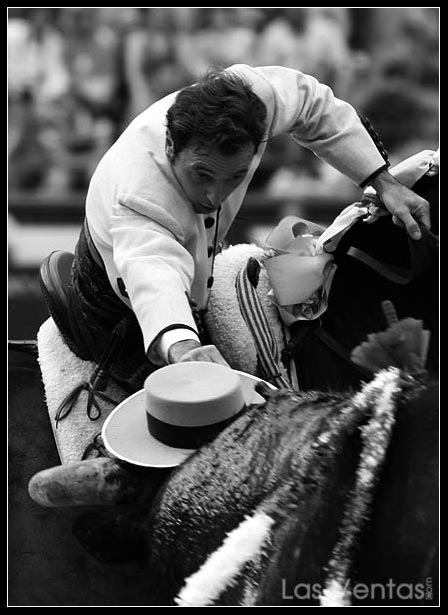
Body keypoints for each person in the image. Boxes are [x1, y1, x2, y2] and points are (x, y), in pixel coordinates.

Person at [64, 64, 430, 392]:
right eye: (202, 174)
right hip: (113, 309)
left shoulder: (256, 99)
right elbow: (153, 272)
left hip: (199, 271)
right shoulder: (138, 196)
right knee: (191, 423)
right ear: (171, 145)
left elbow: (313, 105)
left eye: (235, 176)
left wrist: (385, 183)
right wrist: (184, 347)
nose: (215, 195)